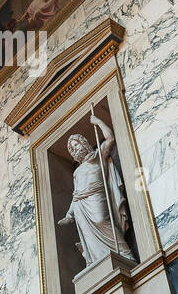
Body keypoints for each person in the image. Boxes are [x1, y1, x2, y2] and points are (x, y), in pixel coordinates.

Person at [57, 114, 134, 267]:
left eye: (76, 144)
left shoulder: (98, 155)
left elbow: (110, 138)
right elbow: (76, 195)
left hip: (96, 196)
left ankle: (127, 254)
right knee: (88, 235)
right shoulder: (76, 172)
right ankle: (97, 261)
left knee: (101, 220)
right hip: (81, 205)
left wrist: (98, 121)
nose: (75, 148)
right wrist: (69, 214)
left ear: (84, 143)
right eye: (72, 148)